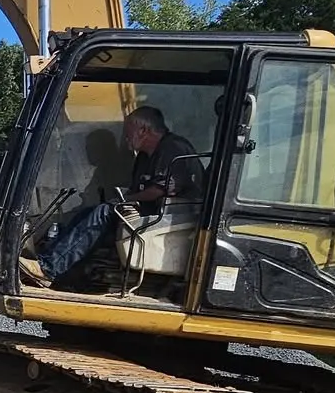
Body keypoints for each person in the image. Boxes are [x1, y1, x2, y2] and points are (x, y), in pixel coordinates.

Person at [25, 106, 203, 286]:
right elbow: (141, 189)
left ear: (143, 130)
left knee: (103, 212)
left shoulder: (172, 148)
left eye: (128, 131)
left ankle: (48, 268)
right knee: (87, 213)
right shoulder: (143, 157)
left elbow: (160, 190)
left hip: (175, 215)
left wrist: (126, 199)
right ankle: (55, 265)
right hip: (155, 210)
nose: (124, 137)